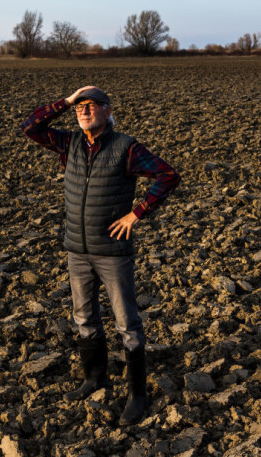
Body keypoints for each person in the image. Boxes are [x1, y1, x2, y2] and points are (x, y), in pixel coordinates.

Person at [20, 86, 180, 426]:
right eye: (80, 106)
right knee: (84, 319)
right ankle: (95, 378)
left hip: (112, 252)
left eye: (91, 105)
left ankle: (137, 395)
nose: (84, 111)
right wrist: (65, 101)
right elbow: (30, 127)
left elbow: (168, 175)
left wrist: (136, 214)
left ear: (108, 111)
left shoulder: (126, 148)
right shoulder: (69, 143)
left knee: (127, 324)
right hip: (77, 250)